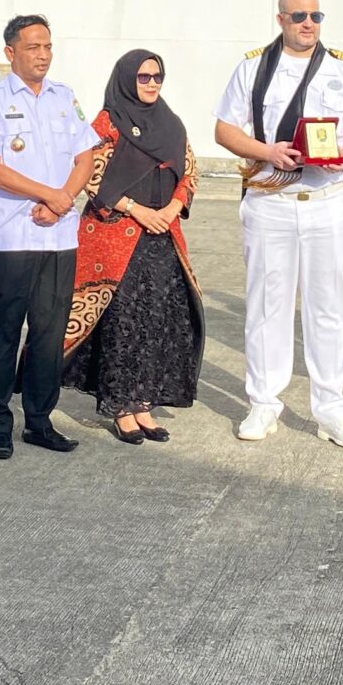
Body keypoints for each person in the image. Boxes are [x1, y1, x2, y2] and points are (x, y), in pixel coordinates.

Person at [215, 0, 343, 448]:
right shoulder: (252, 67)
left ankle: (332, 409)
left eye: (316, 15)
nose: (309, 23)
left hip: (325, 202)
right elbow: (224, 129)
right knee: (268, 306)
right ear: (282, 19)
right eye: (299, 16)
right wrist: (267, 151)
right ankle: (263, 403)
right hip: (271, 202)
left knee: (329, 309)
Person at [0, 15, 101, 458]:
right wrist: (50, 194)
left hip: (59, 237)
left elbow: (86, 155)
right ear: (10, 53)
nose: (43, 55)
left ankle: (40, 421)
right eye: (33, 47)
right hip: (12, 238)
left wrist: (63, 198)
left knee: (50, 332)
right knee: (6, 331)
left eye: (47, 46)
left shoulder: (65, 98)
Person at [66, 49, 202, 444]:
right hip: (115, 238)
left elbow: (188, 170)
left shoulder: (171, 122)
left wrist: (174, 208)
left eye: (157, 76)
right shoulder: (107, 122)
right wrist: (139, 210)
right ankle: (121, 407)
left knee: (154, 321)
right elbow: (90, 175)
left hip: (163, 238)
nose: (152, 83)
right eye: (143, 77)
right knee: (121, 322)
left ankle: (143, 403)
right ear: (127, 79)